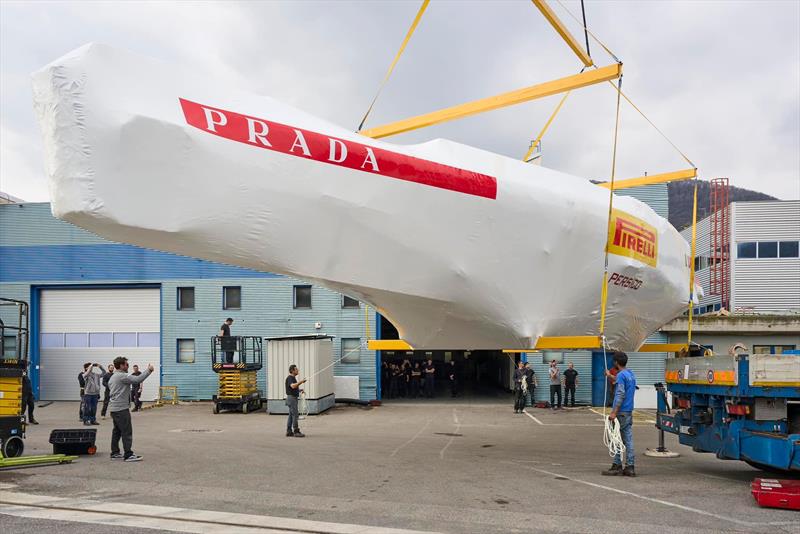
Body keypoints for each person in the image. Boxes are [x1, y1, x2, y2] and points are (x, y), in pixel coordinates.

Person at [108, 356, 153, 461]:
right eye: (126, 364)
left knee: (117, 431)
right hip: (121, 408)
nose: (128, 366)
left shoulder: (113, 376)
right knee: (126, 431)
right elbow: (137, 379)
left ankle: (114, 453)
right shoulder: (122, 376)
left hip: (114, 408)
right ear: (121, 365)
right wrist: (149, 370)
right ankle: (128, 454)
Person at [602, 351, 637, 477]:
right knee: (628, 439)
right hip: (628, 411)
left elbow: (620, 393)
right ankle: (630, 467)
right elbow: (620, 381)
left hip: (621, 411)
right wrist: (610, 375)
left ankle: (617, 465)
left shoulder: (622, 375)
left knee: (616, 438)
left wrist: (613, 412)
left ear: (616, 362)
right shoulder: (630, 374)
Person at [285, 364, 306, 437]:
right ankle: (296, 431)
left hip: (292, 398)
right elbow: (293, 386)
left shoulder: (293, 378)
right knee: (295, 415)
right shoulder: (290, 378)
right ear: (292, 371)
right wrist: (301, 382)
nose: (298, 370)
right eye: (296, 369)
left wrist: (300, 390)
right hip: (292, 399)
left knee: (291, 415)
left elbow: (293, 388)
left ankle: (289, 431)